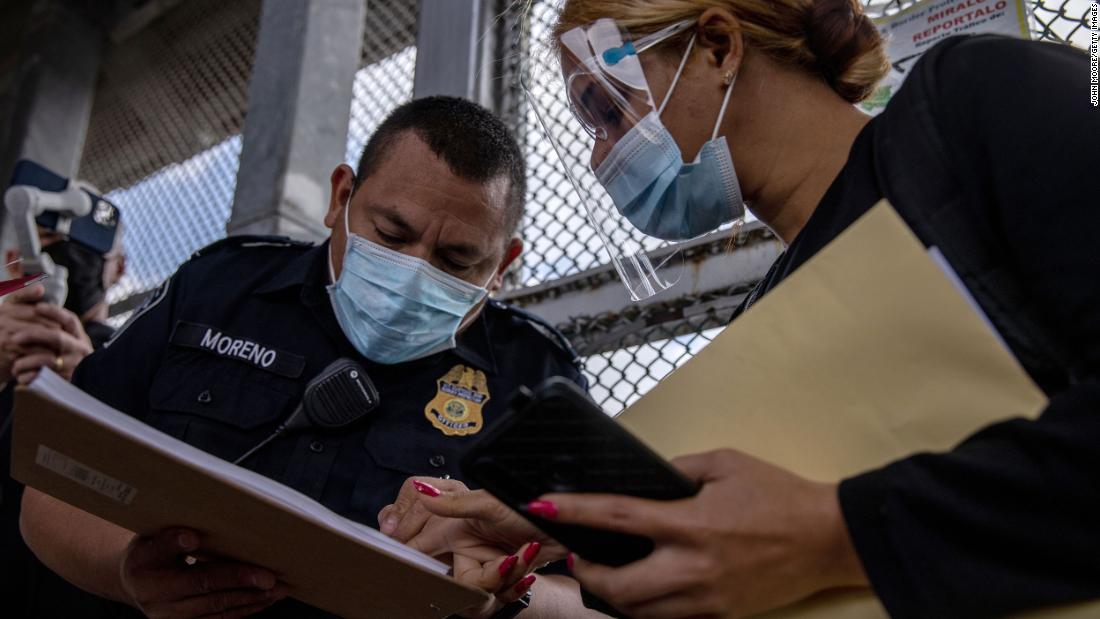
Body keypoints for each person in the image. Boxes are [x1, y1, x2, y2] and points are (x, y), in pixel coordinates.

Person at [378, 1, 1100, 617]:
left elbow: (822, 537)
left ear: (719, 46)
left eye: (606, 107)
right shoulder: (768, 323)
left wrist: (837, 533)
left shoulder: (973, 101)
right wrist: (550, 538)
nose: (600, 157)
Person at [19, 96, 612, 619]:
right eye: (391, 233)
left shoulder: (535, 376)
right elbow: (51, 483)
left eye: (457, 261)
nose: (413, 275)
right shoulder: (221, 287)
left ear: (503, 266)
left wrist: (505, 598)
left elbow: (598, 602)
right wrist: (126, 569)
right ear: (342, 196)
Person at [1, 220, 126, 617]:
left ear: (119, 266)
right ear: (13, 262)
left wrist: (91, 387)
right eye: (47, 243)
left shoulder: (137, 363)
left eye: (84, 247)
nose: (61, 258)